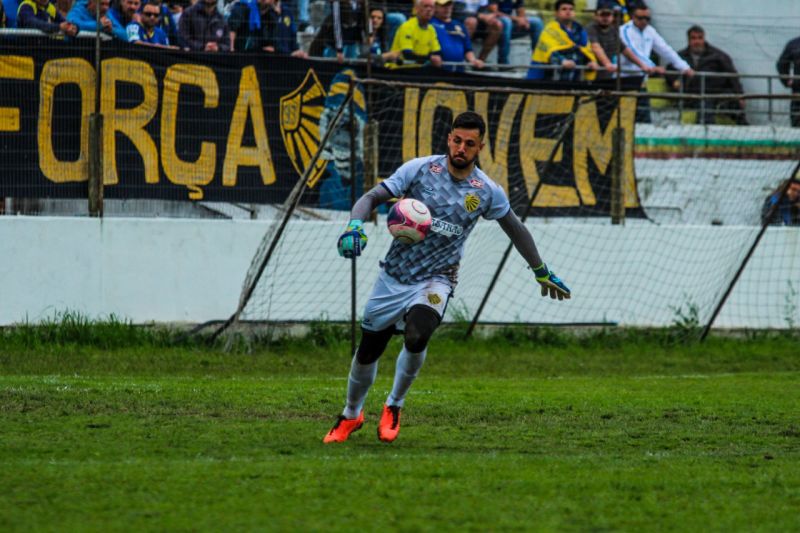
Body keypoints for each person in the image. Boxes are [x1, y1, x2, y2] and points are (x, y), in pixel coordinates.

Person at [322, 111, 571, 444]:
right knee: (369, 349)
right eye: (457, 140)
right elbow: (371, 198)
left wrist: (540, 270)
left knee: (417, 335)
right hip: (394, 276)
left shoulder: (485, 190)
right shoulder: (420, 169)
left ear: (480, 147)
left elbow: (515, 228)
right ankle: (351, 415)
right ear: (449, 139)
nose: (461, 148)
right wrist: (354, 226)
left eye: (470, 143)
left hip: (437, 279)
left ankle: (394, 405)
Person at [619, 2, 694, 122]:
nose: (644, 21)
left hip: (641, 82)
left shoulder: (650, 31)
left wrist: (684, 67)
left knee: (644, 121)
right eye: (640, 18)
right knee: (625, 120)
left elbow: (665, 49)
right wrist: (652, 67)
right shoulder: (624, 31)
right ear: (632, 17)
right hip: (624, 81)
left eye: (647, 18)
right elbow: (632, 52)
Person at [666, 25, 747, 125]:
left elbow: (732, 75)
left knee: (734, 105)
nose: (697, 42)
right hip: (693, 95)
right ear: (688, 40)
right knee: (705, 105)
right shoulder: (681, 57)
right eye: (693, 38)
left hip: (717, 93)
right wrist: (674, 81)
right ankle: (705, 134)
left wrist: (740, 95)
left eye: (700, 38)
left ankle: (746, 131)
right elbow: (668, 71)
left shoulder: (717, 56)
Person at [527, 0, 596, 81]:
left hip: (575, 80)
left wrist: (590, 62)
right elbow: (550, 53)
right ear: (556, 13)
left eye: (571, 9)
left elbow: (585, 51)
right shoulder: (550, 31)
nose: (568, 12)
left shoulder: (580, 31)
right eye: (564, 9)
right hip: (552, 80)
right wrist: (562, 61)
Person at [586, 0, 651, 80]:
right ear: (595, 16)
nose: (605, 18)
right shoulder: (591, 28)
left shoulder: (614, 30)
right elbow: (596, 47)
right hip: (594, 74)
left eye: (608, 15)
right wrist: (607, 64)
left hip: (608, 74)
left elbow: (625, 50)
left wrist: (642, 65)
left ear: (613, 16)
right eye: (602, 15)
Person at [387, 0, 442, 68]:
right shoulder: (407, 27)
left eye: (432, 7)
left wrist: (435, 58)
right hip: (399, 69)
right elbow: (407, 55)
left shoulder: (431, 29)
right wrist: (430, 58)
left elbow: (437, 52)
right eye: (425, 6)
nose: (429, 10)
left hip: (419, 69)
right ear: (417, 9)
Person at [431, 0, 482, 72]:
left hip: (458, 70)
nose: (447, 8)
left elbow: (468, 49)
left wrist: (473, 60)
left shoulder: (459, 25)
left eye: (449, 5)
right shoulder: (430, 24)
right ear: (436, 7)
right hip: (437, 70)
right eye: (443, 6)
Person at [486, 0, 542, 66]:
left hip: (507, 27)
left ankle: (538, 63)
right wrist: (516, 19)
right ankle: (503, 63)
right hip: (490, 27)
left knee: (537, 23)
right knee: (507, 22)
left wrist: (523, 21)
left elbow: (521, 14)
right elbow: (494, 13)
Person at [776, 34, 800, 127]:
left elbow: (781, 64)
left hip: (798, 88)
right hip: (798, 87)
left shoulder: (794, 44)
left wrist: (787, 81)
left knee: (797, 121)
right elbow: (782, 64)